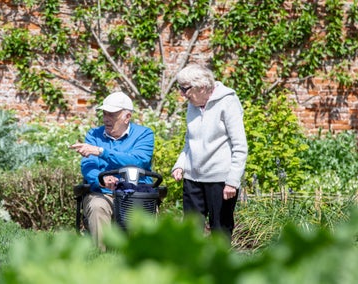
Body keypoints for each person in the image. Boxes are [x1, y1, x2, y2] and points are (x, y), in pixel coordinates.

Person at [171, 63, 248, 242]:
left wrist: (232, 181)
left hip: (220, 180)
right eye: (180, 88)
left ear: (203, 87)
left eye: (185, 89)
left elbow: (240, 145)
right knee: (190, 230)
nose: (182, 94)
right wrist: (180, 165)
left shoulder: (228, 102)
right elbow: (189, 141)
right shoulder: (193, 105)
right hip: (193, 178)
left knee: (220, 229)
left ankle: (220, 268)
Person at [70, 91, 154, 250]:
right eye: (104, 113)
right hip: (103, 192)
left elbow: (138, 161)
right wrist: (100, 180)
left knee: (140, 212)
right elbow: (88, 165)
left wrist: (102, 151)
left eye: (112, 114)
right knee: (97, 206)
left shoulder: (144, 134)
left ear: (127, 117)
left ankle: (138, 259)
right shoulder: (94, 134)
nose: (106, 118)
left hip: (135, 192)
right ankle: (101, 258)